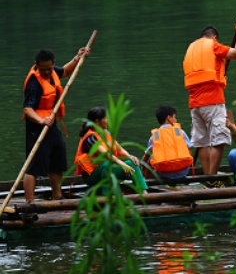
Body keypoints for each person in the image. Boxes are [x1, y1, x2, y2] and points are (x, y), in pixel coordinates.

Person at [182, 19, 236, 187]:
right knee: (219, 139)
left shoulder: (191, 49)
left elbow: (208, 70)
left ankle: (206, 179)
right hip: (213, 101)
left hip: (195, 104)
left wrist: (221, 75)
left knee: (201, 141)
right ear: (214, 37)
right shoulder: (213, 45)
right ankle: (212, 177)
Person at [23, 47, 90, 203]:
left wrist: (77, 58)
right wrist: (41, 120)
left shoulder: (52, 72)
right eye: (43, 70)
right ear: (36, 65)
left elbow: (65, 71)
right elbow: (27, 109)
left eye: (49, 69)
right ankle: (30, 202)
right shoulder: (34, 83)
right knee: (34, 165)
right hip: (37, 128)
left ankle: (57, 195)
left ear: (53, 64)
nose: (47, 72)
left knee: (57, 159)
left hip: (51, 125)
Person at [74, 106, 148, 195]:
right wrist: (121, 164)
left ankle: (144, 193)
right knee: (107, 164)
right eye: (105, 118)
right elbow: (106, 154)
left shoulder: (106, 133)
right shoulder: (89, 138)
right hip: (92, 175)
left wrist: (130, 156)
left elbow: (120, 149)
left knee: (132, 162)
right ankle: (107, 196)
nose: (107, 120)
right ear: (97, 121)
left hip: (108, 168)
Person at [141, 106, 193, 180]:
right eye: (174, 117)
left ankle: (146, 182)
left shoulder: (155, 136)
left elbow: (145, 157)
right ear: (169, 118)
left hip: (163, 172)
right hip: (183, 171)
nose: (176, 120)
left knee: (149, 157)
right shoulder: (180, 132)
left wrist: (143, 167)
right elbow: (189, 151)